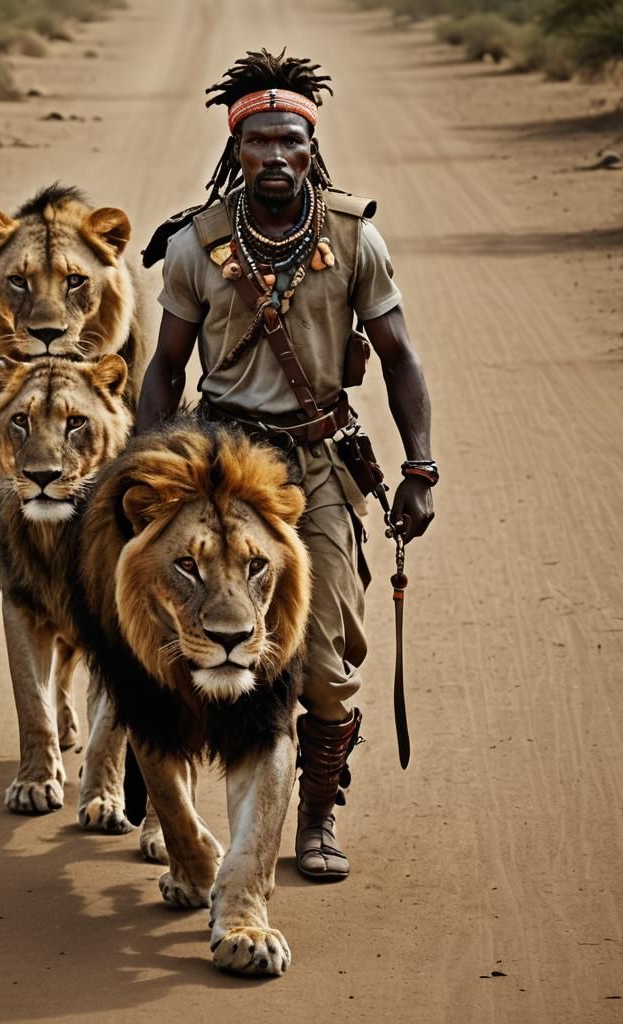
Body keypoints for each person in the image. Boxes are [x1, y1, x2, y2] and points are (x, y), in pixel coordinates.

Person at [136, 49, 437, 882]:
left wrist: (421, 468)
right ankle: (189, 812)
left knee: (326, 661)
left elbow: (400, 354)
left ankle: (317, 815)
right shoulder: (196, 246)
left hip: (321, 467)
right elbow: (164, 367)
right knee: (201, 637)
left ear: (312, 149)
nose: (274, 158)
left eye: (290, 143)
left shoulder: (352, 236)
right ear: (237, 150)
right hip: (225, 468)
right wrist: (146, 469)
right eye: (259, 143)